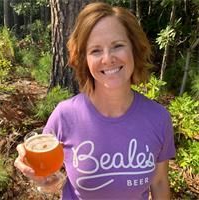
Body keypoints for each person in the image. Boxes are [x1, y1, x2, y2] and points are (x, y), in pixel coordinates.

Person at [14, 2, 176, 200]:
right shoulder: (65, 115)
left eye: (117, 46)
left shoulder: (158, 118)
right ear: (85, 59)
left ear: (134, 49)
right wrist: (35, 170)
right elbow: (44, 170)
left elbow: (159, 182)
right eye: (96, 50)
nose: (108, 59)